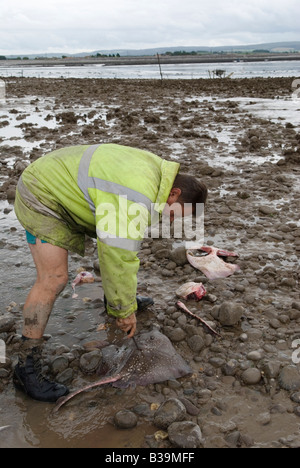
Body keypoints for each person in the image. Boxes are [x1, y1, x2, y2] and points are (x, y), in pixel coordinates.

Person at [13, 143, 208, 402]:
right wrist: (124, 312)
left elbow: (115, 245)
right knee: (54, 278)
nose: (173, 220)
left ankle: (113, 299)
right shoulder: (137, 197)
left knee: (116, 241)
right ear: (174, 193)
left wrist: (120, 302)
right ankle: (26, 368)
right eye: (177, 213)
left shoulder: (156, 173)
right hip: (41, 193)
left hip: (60, 179)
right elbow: (118, 256)